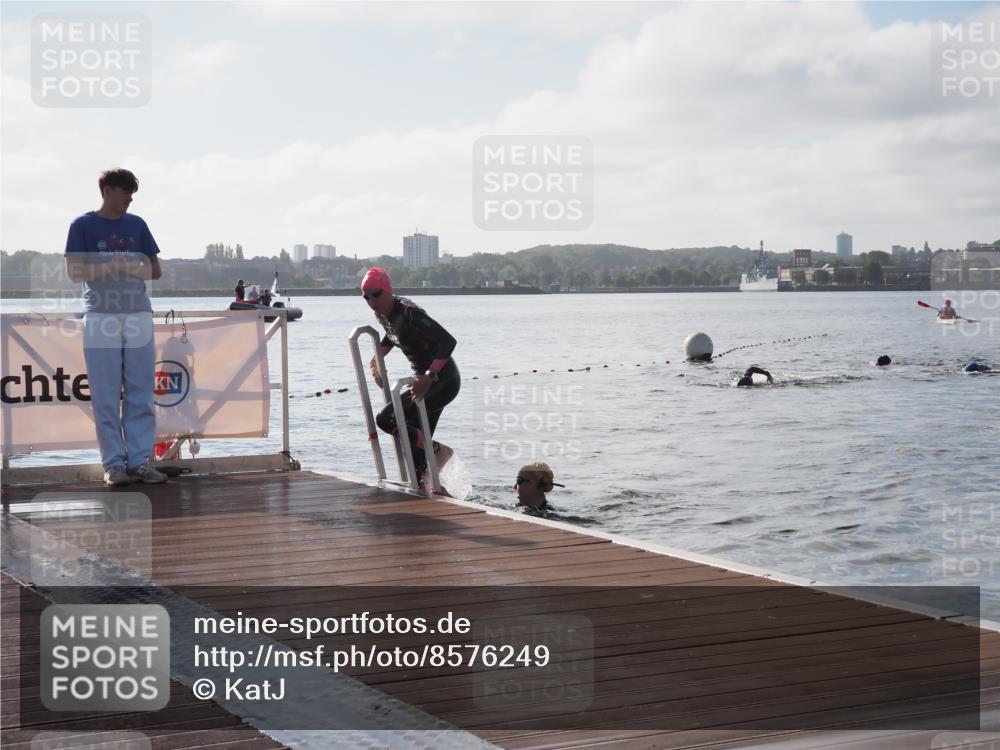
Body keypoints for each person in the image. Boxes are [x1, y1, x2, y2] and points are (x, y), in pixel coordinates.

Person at [64, 168, 167, 486]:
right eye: (125, 192)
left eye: (132, 193)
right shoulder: (81, 225)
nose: (130, 199)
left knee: (140, 392)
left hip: (138, 315)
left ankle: (139, 462)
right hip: (100, 317)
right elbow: (74, 272)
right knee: (105, 395)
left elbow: (156, 270)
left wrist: (135, 268)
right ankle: (114, 465)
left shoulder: (137, 224)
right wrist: (110, 265)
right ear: (107, 190)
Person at [362, 267, 460, 486]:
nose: (372, 301)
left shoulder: (410, 313)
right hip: (425, 382)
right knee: (415, 456)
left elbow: (448, 342)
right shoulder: (383, 314)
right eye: (366, 297)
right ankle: (432, 490)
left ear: (388, 290)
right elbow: (394, 335)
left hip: (442, 381)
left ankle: (437, 451)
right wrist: (376, 358)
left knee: (386, 419)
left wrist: (429, 376)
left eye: (376, 294)